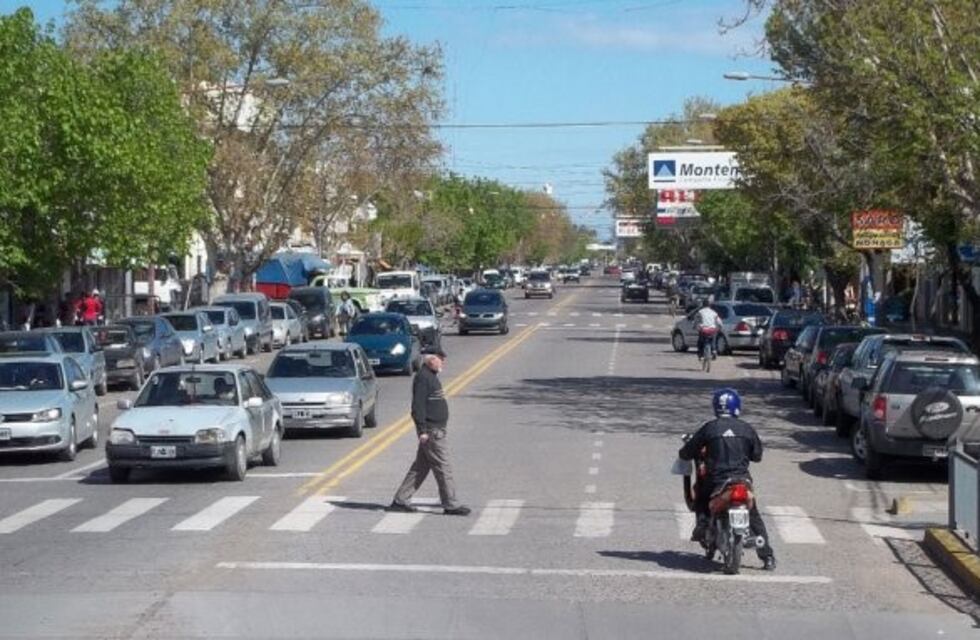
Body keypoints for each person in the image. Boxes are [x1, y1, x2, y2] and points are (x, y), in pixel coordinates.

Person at [679, 388, 776, 571]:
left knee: (701, 493)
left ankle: (702, 524)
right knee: (753, 514)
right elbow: (757, 456)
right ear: (737, 407)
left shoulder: (710, 428)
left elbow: (687, 452)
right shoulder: (747, 429)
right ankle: (768, 557)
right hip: (742, 481)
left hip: (717, 481)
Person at [388, 344, 470, 516]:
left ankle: (400, 500)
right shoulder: (423, 378)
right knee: (443, 467)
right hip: (432, 431)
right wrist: (422, 430)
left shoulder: (430, 376)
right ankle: (451, 504)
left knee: (420, 467)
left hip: (435, 429)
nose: (443, 363)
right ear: (431, 359)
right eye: (440, 360)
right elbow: (417, 407)